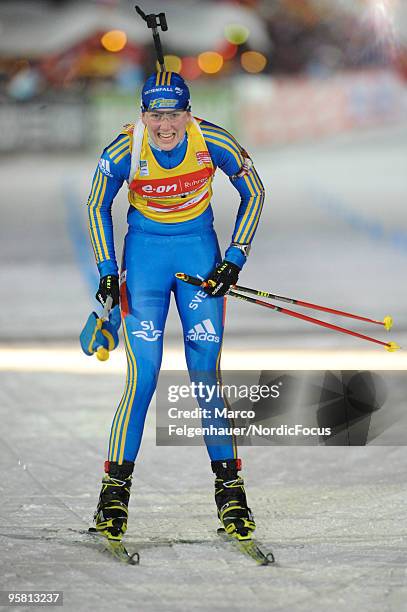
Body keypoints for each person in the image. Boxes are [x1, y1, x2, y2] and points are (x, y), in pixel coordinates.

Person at [87, 71, 265, 542]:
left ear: (189, 113)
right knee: (142, 379)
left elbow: (255, 191)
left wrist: (234, 257)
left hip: (199, 261)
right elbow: (95, 205)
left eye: (174, 115)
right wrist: (107, 268)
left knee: (205, 378)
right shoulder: (125, 149)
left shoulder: (212, 140)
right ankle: (113, 496)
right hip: (144, 263)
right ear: (142, 115)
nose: (165, 126)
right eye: (155, 115)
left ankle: (231, 495)